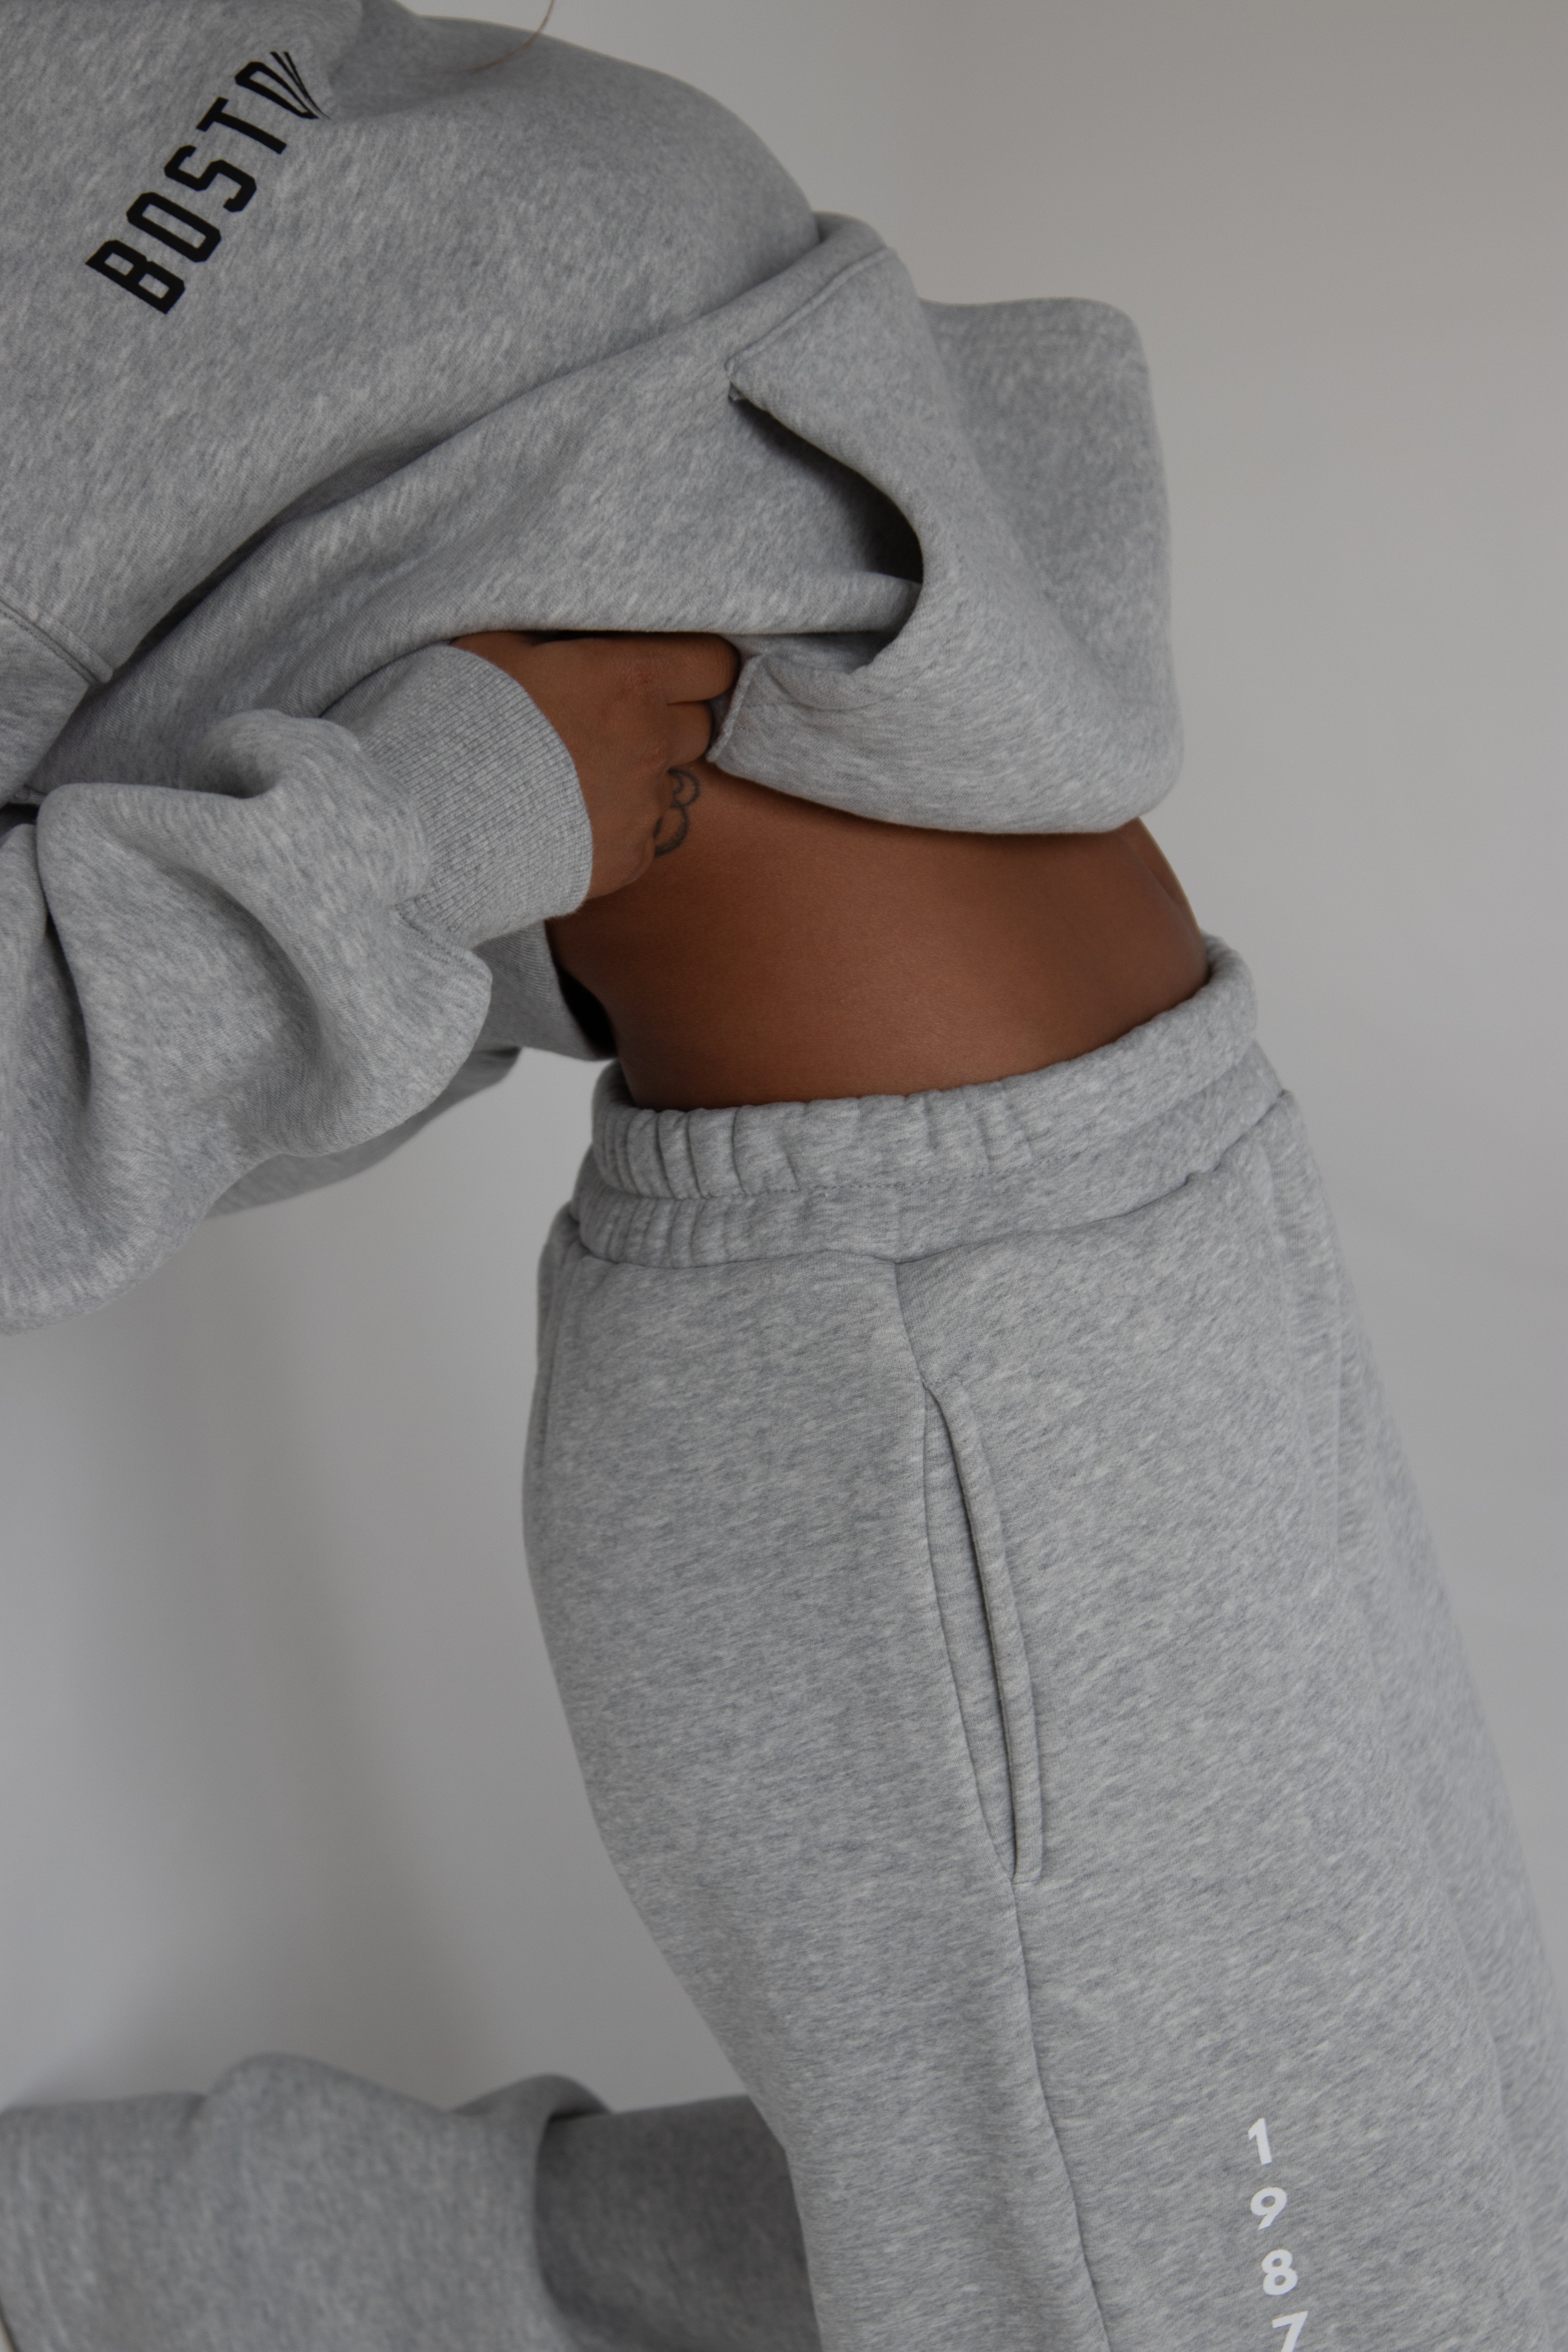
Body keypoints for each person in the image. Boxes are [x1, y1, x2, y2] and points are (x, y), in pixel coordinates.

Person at [0, 5, 1562, 2349]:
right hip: (918, 1353)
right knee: (1348, 2281)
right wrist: (440, 817)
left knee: (1406, 2198)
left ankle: (135, 2264)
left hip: (1147, 1198)